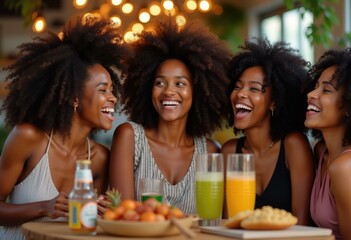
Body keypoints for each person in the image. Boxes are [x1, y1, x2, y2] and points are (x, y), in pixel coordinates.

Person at [0, 14, 130, 239]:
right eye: (102, 90)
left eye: (112, 90)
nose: (113, 98)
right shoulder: (29, 137)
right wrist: (43, 208)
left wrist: (103, 213)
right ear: (74, 97)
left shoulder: (100, 157)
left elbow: (86, 226)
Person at [109, 17, 232, 215]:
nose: (168, 92)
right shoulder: (130, 138)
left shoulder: (210, 151)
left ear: (198, 91)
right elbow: (124, 216)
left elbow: (216, 221)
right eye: (160, 83)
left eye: (180, 84)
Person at [221, 38, 315, 225]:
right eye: (237, 86)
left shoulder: (293, 145)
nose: (240, 94)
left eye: (254, 88)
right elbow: (228, 223)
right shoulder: (229, 151)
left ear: (274, 102)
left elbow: (301, 225)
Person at [305, 48, 351, 240]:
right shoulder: (321, 153)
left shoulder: (345, 167)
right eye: (316, 86)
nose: (311, 94)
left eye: (326, 90)